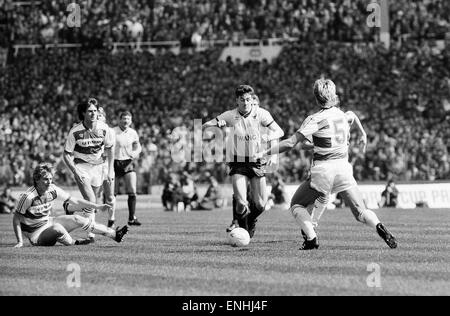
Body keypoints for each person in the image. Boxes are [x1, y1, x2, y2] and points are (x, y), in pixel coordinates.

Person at [260, 78, 397, 250]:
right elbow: (352, 116)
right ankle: (378, 226)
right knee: (360, 211)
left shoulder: (315, 119)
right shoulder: (341, 114)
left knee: (296, 205)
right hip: (344, 169)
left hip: (324, 170)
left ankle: (311, 239)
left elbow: (290, 143)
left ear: (316, 98)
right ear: (334, 95)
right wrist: (363, 134)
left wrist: (264, 152)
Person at [202, 85, 284, 238]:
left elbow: (280, 131)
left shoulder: (261, 113)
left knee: (261, 204)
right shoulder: (230, 115)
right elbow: (205, 126)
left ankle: (250, 220)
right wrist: (216, 124)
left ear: (252, 100)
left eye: (248, 99)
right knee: (241, 202)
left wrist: (270, 137)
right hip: (238, 162)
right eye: (242, 100)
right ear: (237, 101)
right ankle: (243, 231)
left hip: (256, 161)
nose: (246, 103)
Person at [12, 163, 128, 248]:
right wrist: (20, 242)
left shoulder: (52, 189)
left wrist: (97, 206)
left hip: (48, 222)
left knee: (77, 218)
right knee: (57, 228)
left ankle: (114, 235)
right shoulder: (28, 196)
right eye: (45, 179)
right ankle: (74, 242)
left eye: (51, 179)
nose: (49, 182)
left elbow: (75, 201)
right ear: (37, 179)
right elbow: (16, 219)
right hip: (36, 235)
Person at [63, 98, 115, 243]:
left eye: (95, 111)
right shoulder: (75, 132)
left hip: (98, 168)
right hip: (82, 168)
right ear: (83, 113)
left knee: (92, 204)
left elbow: (110, 149)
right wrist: (74, 170)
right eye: (90, 111)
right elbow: (66, 154)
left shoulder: (104, 128)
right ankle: (90, 236)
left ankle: (71, 208)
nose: (93, 114)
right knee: (91, 201)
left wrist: (110, 171)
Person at [113, 111, 143, 226]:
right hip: (115, 162)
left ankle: (132, 218)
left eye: (128, 119)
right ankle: (112, 219)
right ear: (119, 119)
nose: (126, 121)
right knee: (113, 194)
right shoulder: (113, 131)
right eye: (124, 118)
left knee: (132, 191)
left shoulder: (133, 133)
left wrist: (136, 152)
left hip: (128, 162)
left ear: (131, 121)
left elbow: (137, 145)